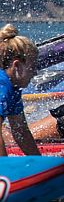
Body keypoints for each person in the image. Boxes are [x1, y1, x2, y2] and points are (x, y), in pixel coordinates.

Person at [0, 24, 40, 156]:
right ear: (17, 65)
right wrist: (5, 171)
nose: (35, 73)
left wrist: (39, 164)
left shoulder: (14, 89)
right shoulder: (3, 86)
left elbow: (21, 131)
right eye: (32, 67)